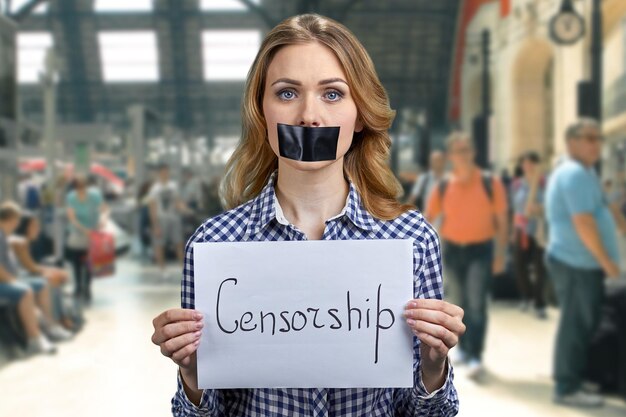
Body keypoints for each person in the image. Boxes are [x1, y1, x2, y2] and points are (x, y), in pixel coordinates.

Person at [151, 14, 465, 416]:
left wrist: (434, 367)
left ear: (360, 113)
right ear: (260, 111)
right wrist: (193, 376)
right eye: (286, 93)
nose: (309, 117)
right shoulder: (214, 245)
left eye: (332, 94)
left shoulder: (411, 239)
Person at [544, 118, 623, 407]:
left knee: (585, 322)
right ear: (572, 142)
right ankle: (567, 386)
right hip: (575, 262)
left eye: (598, 138)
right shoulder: (575, 173)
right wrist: (608, 263)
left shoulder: (585, 173)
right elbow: (584, 223)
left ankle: (573, 375)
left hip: (581, 263)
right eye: (589, 138)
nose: (596, 144)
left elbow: (601, 210)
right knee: (577, 324)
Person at [424, 131, 508, 380]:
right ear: (450, 156)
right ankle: (462, 349)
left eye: (467, 149)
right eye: (458, 150)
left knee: (476, 303)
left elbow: (502, 220)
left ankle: (475, 355)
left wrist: (501, 254)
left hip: (480, 250)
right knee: (458, 304)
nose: (463, 155)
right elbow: (427, 220)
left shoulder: (490, 183)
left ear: (474, 153)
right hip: (453, 249)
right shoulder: (442, 186)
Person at [0, 201, 59, 355]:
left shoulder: (5, 235)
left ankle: (50, 327)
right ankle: (35, 339)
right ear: (12, 218)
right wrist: (14, 281)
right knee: (25, 291)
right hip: (4, 281)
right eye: (17, 219)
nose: (18, 223)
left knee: (42, 284)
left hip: (10, 279)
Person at [11, 212, 76, 331]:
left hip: (25, 274)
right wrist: (51, 272)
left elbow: (32, 266)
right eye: (34, 226)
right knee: (51, 279)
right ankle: (57, 320)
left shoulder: (26, 242)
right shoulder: (21, 243)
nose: (38, 229)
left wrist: (52, 270)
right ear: (25, 227)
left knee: (55, 277)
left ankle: (61, 317)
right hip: (18, 276)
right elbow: (30, 267)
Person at [511, 151, 548, 319]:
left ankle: (540, 303)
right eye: (525, 163)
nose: (528, 166)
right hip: (521, 230)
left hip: (540, 229)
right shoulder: (517, 184)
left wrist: (539, 209)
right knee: (520, 266)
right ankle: (527, 296)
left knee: (540, 267)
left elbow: (552, 204)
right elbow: (515, 208)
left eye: (531, 163)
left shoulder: (544, 183)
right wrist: (514, 229)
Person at [65, 175, 106, 304]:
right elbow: (72, 217)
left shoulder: (94, 195)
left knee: (90, 263)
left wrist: (102, 221)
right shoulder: (71, 197)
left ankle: (87, 287)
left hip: (93, 232)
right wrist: (84, 230)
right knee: (77, 262)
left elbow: (104, 210)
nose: (81, 189)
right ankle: (78, 287)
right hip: (78, 232)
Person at [146, 163, 189, 279]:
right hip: (161, 218)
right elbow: (152, 207)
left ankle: (183, 268)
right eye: (163, 171)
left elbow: (177, 201)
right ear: (159, 173)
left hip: (174, 218)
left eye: (167, 171)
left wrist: (184, 208)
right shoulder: (155, 189)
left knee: (179, 243)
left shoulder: (173, 186)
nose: (165, 174)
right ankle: (162, 269)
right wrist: (155, 225)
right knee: (160, 244)